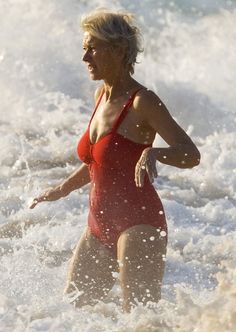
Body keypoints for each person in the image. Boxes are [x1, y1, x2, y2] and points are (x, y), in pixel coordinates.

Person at [30, 10, 200, 312]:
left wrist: (155, 152)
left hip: (139, 226)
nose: (85, 57)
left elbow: (191, 154)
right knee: (72, 315)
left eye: (92, 48)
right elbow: (100, 162)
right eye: (84, 48)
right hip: (98, 227)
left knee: (139, 322)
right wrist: (61, 189)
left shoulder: (142, 101)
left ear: (119, 50)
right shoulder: (101, 96)